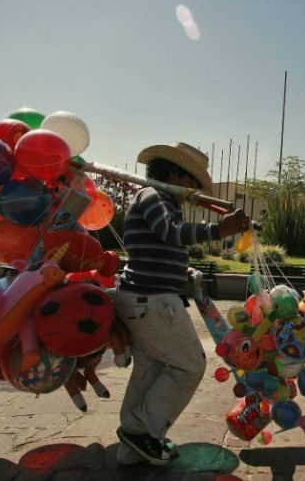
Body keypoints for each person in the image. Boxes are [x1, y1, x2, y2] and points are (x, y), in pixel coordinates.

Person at [113, 142, 250, 466]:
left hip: (145, 297)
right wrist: (219, 229)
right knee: (190, 365)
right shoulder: (154, 196)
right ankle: (143, 432)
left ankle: (134, 441)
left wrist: (182, 270)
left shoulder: (156, 200)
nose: (194, 191)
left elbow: (157, 246)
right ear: (174, 173)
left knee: (151, 369)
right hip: (152, 301)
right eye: (192, 182)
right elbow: (169, 232)